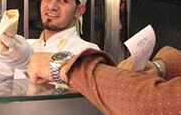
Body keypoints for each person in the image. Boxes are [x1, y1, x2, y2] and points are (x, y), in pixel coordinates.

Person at [27, 46, 181, 114]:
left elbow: (156, 104)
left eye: (63, 0)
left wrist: (67, 67)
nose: (52, 6)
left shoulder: (84, 46)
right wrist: (160, 67)